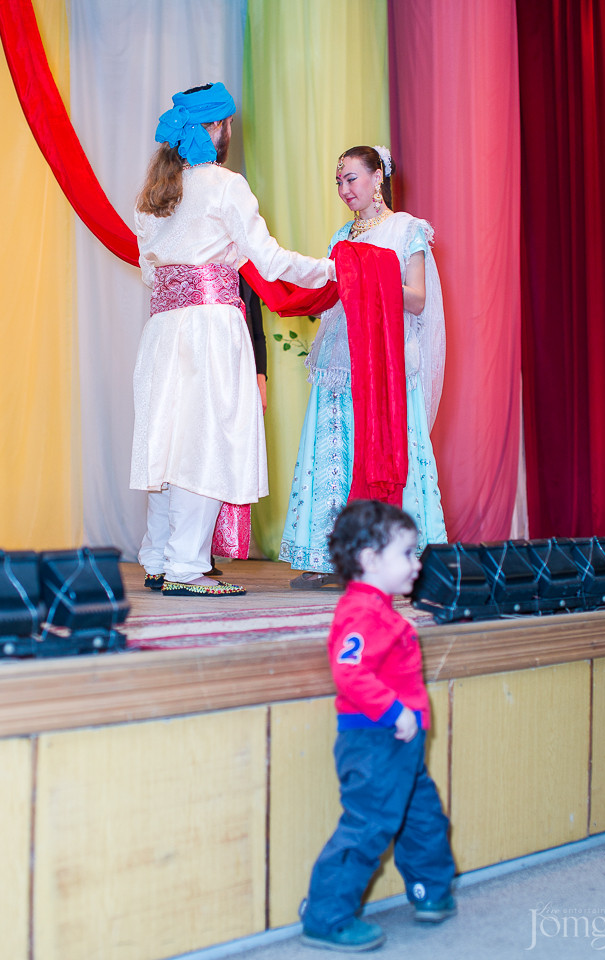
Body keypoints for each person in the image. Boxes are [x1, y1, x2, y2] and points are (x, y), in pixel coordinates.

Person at [130, 83, 335, 596]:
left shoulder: (152, 197)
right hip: (210, 328)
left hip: (161, 330)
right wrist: (337, 269)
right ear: (218, 128)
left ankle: (158, 558)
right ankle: (186, 568)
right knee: (206, 441)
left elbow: (151, 276)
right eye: (227, 125)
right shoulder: (225, 185)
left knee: (167, 442)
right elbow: (270, 260)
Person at [279, 145, 447, 588]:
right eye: (338, 181)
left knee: (390, 449)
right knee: (335, 449)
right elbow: (332, 297)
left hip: (388, 361)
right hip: (342, 357)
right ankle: (326, 556)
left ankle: (401, 556)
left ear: (378, 178)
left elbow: (417, 298)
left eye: (351, 178)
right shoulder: (341, 237)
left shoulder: (406, 229)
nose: (343, 189)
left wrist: (372, 277)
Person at [299, 499, 456, 952]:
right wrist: (395, 712)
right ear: (370, 560)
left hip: (400, 743)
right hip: (375, 740)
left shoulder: (382, 611)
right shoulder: (360, 614)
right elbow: (349, 672)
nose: (418, 563)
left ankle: (430, 890)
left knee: (422, 817)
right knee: (369, 826)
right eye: (407, 553)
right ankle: (326, 917)